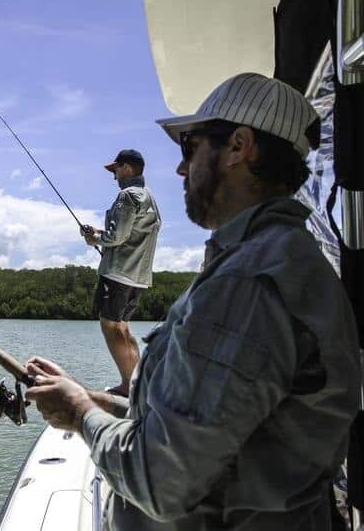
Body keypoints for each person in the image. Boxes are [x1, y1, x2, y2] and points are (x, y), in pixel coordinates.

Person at [26, 73, 361, 530]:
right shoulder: (280, 262)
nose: (182, 169)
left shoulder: (248, 283)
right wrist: (89, 398)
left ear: (240, 146)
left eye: (190, 147)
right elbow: (213, 430)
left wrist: (81, 415)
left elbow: (160, 482)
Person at [81, 148, 160, 396]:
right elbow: (131, 235)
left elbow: (116, 236)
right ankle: (138, 384)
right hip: (138, 278)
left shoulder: (127, 196)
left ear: (126, 168)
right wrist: (100, 236)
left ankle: (128, 386)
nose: (114, 176)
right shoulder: (149, 198)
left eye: (115, 170)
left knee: (109, 325)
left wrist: (94, 238)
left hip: (118, 275)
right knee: (123, 327)